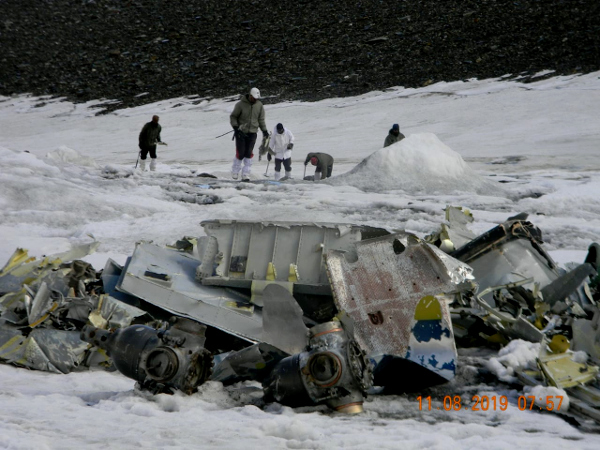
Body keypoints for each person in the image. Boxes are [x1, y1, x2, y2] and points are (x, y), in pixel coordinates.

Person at [230, 87, 269, 181]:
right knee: (241, 153)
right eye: (254, 98)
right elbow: (233, 117)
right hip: (241, 133)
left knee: (248, 153)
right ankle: (235, 171)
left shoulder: (259, 105)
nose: (255, 99)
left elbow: (261, 119)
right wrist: (236, 128)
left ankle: (246, 174)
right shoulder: (240, 105)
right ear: (250, 95)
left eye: (257, 98)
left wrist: (264, 131)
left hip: (253, 133)